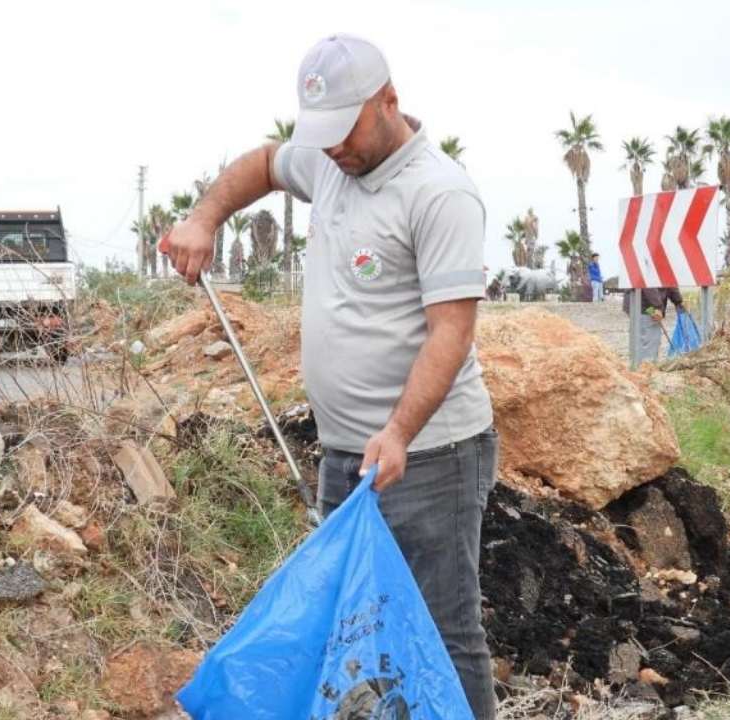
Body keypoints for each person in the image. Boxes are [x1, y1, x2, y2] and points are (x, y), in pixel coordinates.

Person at [165, 34, 498, 718]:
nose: (334, 149)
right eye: (322, 135)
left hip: (430, 456)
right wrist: (204, 216)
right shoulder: (328, 164)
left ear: (388, 102)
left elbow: (451, 333)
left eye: (344, 130)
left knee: (440, 629)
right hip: (348, 455)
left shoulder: (438, 194)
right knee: (359, 626)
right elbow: (261, 163)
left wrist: (400, 432)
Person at [623, 287, 684, 360]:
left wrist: (678, 301)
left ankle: (638, 365)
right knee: (649, 338)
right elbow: (648, 286)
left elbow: (670, 284)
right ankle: (646, 367)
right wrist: (657, 307)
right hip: (646, 304)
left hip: (642, 303)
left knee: (641, 337)